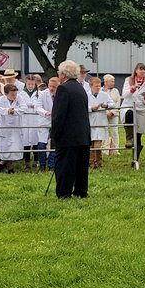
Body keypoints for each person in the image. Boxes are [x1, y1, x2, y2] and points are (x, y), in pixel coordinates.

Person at [51, 60, 92, 198]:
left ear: (63, 74)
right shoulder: (81, 88)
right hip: (83, 135)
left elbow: (58, 115)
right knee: (81, 167)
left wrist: (55, 134)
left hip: (68, 136)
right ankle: (81, 191)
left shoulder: (63, 89)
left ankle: (64, 193)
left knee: (65, 166)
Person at [120, 63, 145, 163]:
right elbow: (124, 95)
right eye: (140, 69)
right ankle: (129, 138)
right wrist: (132, 88)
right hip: (129, 106)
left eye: (144, 69)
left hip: (141, 109)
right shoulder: (128, 80)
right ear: (136, 70)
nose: (142, 71)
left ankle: (135, 158)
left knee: (138, 135)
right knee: (129, 114)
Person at [0, 83, 25, 173]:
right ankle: (9, 168)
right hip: (5, 127)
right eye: (12, 94)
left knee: (14, 149)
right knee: (6, 149)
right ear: (6, 93)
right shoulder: (1, 100)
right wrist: (7, 111)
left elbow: (24, 108)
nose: (14, 96)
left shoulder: (19, 98)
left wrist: (14, 111)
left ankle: (1, 164)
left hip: (16, 127)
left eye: (15, 94)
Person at [87, 77, 114, 170]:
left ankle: (98, 162)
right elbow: (82, 106)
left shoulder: (104, 95)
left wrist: (106, 105)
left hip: (101, 122)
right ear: (91, 86)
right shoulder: (86, 95)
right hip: (90, 122)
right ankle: (91, 162)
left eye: (99, 86)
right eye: (96, 86)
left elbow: (113, 104)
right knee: (90, 144)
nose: (98, 88)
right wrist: (91, 108)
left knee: (98, 145)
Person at [35, 77, 57, 171]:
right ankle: (42, 165)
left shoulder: (61, 94)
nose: (51, 88)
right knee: (41, 144)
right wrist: (45, 112)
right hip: (44, 120)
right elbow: (37, 107)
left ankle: (51, 165)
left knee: (54, 144)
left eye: (54, 87)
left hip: (56, 122)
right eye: (50, 86)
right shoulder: (43, 94)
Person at [102, 75, 122, 155]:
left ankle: (115, 149)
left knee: (115, 131)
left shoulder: (116, 91)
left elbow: (118, 102)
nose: (113, 83)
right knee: (104, 131)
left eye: (114, 81)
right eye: (112, 81)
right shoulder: (101, 90)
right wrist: (106, 112)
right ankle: (104, 149)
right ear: (106, 82)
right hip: (104, 114)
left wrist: (112, 112)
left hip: (114, 114)